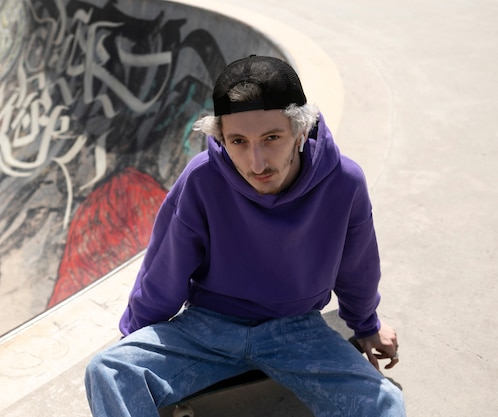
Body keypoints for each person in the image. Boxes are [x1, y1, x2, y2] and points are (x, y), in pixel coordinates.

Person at [84, 55, 406, 416]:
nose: (256, 163)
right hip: (208, 327)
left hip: (296, 330)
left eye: (272, 138)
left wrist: (367, 324)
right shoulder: (202, 179)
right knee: (109, 369)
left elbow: (358, 266)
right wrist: (137, 341)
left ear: (301, 131)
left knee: (385, 404)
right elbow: (165, 271)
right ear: (221, 137)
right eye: (238, 141)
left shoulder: (344, 181)